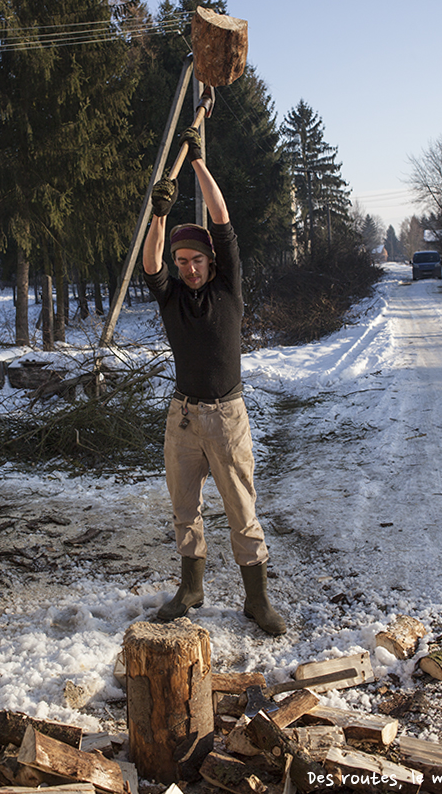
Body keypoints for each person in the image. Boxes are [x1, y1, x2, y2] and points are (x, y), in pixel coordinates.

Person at [142, 126, 287, 636]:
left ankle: (257, 599)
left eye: (195, 261)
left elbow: (222, 221)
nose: (188, 270)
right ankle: (191, 588)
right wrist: (159, 216)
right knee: (185, 508)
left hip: (227, 417)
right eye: (182, 263)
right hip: (183, 418)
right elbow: (150, 262)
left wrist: (199, 165)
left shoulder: (228, 287)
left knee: (241, 509)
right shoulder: (172, 296)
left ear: (211, 262)